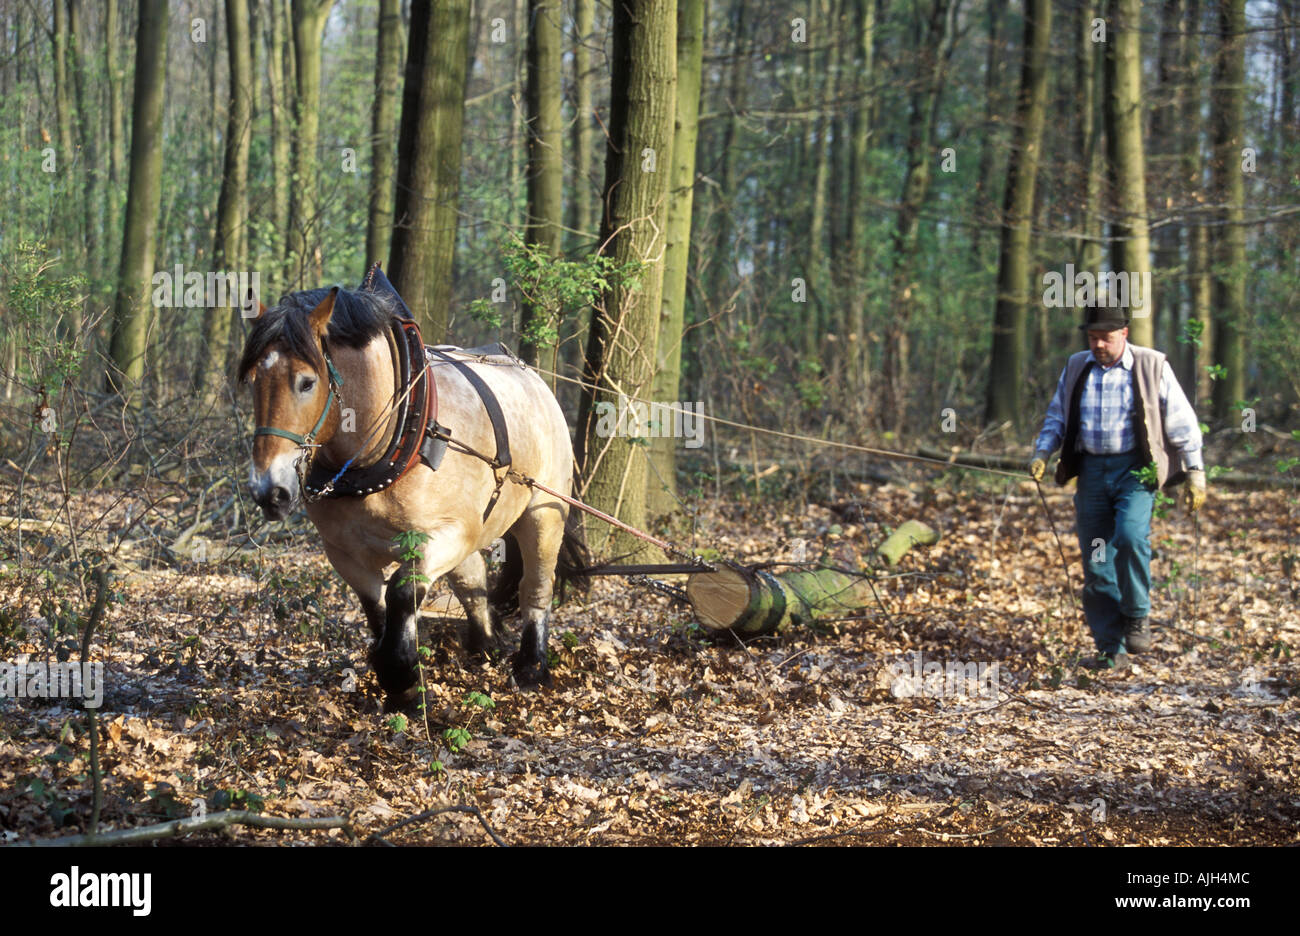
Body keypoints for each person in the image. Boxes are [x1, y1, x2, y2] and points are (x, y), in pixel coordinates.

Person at [1029, 307, 1207, 670]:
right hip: (1092, 474)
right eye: (1092, 337)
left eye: (1105, 337)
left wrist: (1195, 471)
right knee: (1097, 559)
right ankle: (1111, 649)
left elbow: (1180, 418)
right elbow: (1057, 416)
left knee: (1129, 536)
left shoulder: (1151, 365)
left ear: (1124, 333)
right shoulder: (1078, 366)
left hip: (1136, 471)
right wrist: (1043, 452)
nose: (1098, 344)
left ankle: (1137, 613)